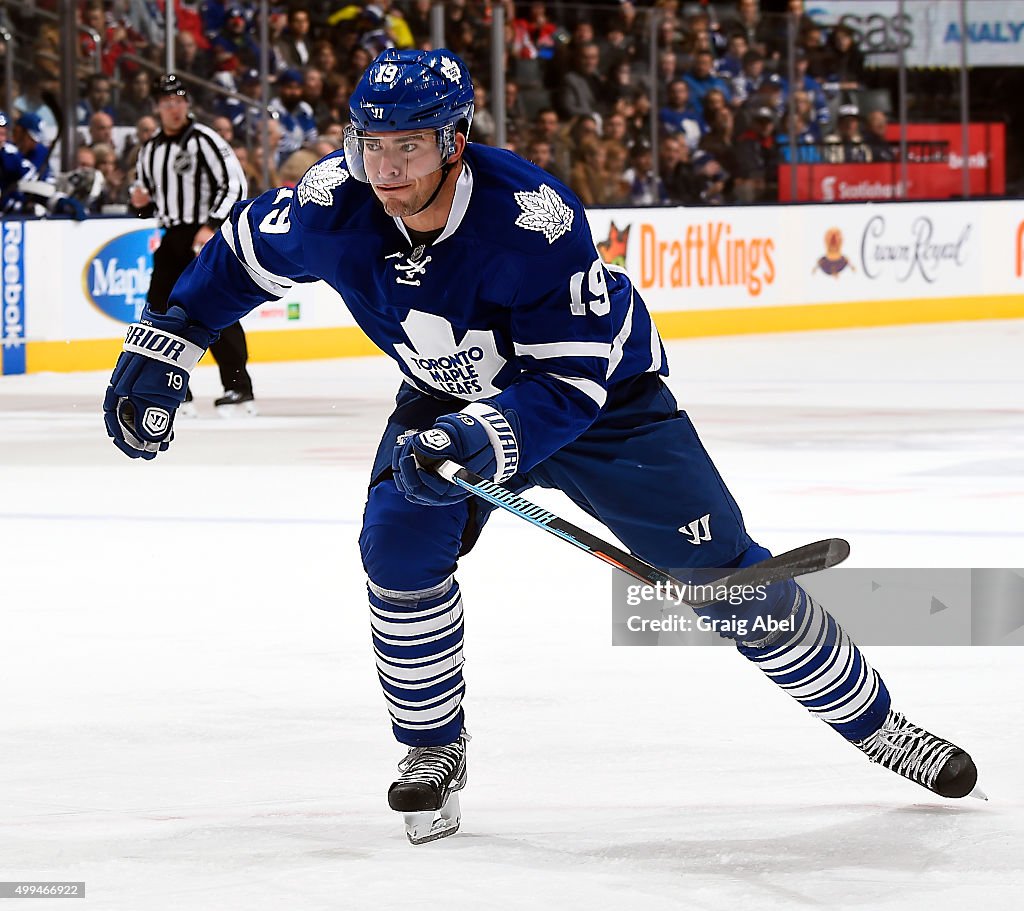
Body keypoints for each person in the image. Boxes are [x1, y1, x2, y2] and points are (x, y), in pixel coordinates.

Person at [102, 49, 982, 845]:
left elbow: (570, 387)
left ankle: (879, 727)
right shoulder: (335, 203)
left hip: (605, 409)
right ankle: (431, 752)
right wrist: (166, 339)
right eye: (371, 144)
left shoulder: (532, 218)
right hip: (445, 399)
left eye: (407, 147)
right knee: (396, 551)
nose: (385, 168)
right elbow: (241, 259)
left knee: (724, 574)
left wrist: (472, 436)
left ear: (455, 141)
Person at [128, 74, 254, 413]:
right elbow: (147, 203)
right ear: (157, 107)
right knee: (159, 313)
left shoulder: (205, 140)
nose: (173, 109)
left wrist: (211, 225)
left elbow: (234, 184)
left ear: (187, 104)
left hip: (205, 238)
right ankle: (172, 388)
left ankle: (239, 387)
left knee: (217, 309)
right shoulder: (151, 148)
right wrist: (139, 203)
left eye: (179, 102)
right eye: (167, 103)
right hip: (172, 238)